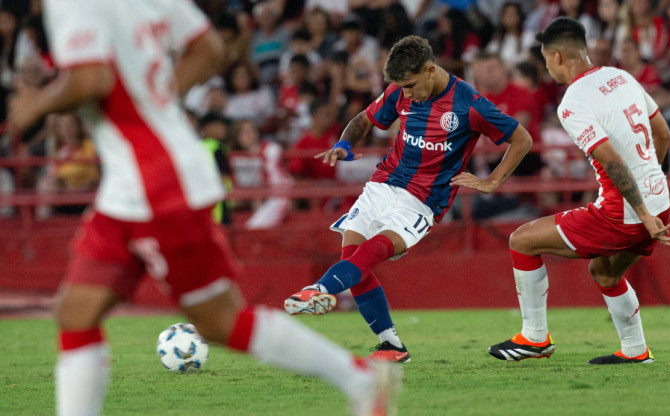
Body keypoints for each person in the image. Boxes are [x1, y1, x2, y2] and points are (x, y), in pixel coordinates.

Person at [7, 1, 400, 415]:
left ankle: (360, 379)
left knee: (220, 321)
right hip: (130, 185)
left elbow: (91, 78)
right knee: (76, 312)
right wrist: (158, 103)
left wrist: (37, 104)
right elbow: (209, 47)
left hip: (157, 185)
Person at [283, 35, 533, 362]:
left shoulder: (468, 103)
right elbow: (362, 120)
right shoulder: (400, 92)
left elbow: (521, 138)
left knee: (370, 254)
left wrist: (492, 181)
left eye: (411, 86)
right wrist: (343, 145)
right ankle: (392, 346)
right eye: (402, 87)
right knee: (353, 257)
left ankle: (320, 289)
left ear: (430, 70)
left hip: (423, 201)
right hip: (382, 185)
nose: (407, 95)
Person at [472, 17, 670, 365]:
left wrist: (640, 212)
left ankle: (534, 338)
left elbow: (612, 162)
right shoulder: (621, 76)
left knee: (522, 240)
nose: (548, 67)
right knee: (606, 272)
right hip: (661, 202)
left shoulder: (573, 102)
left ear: (557, 56)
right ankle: (635, 350)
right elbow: (664, 134)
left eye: (546, 59)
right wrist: (649, 195)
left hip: (626, 213)